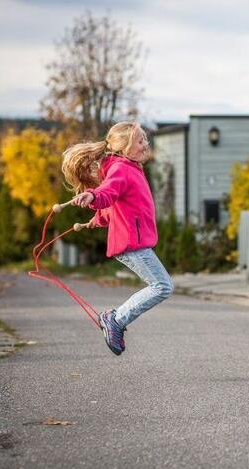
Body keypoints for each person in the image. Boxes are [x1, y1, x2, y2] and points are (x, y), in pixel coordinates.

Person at [62, 121, 173, 356]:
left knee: (161, 286)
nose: (146, 144)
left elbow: (115, 203)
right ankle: (115, 319)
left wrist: (97, 219)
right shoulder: (121, 169)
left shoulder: (129, 168)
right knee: (162, 286)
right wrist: (93, 196)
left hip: (134, 241)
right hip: (132, 243)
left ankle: (116, 319)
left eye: (145, 139)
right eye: (140, 141)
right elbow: (108, 191)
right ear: (123, 148)